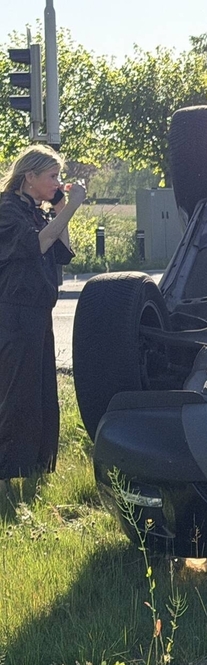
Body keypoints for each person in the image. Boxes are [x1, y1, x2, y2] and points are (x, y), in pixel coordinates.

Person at [0, 145, 85, 482]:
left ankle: (34, 468)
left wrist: (61, 207)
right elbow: (37, 244)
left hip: (38, 314)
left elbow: (62, 250)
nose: (57, 182)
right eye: (52, 176)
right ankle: (10, 471)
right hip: (14, 314)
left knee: (40, 394)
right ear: (29, 177)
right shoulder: (7, 210)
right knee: (17, 394)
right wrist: (72, 206)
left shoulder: (37, 210)